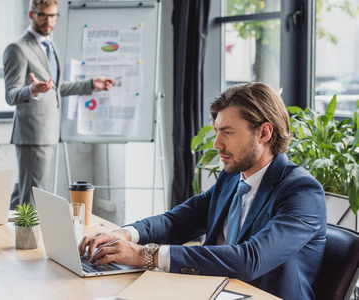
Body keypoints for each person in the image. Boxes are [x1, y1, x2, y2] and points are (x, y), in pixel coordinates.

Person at [79, 82, 327, 300]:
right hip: (207, 289)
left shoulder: (302, 192)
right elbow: (176, 222)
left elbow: (250, 259)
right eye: (217, 132)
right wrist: (125, 235)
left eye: (227, 132)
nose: (217, 144)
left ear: (264, 132)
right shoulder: (231, 178)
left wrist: (146, 255)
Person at [3, 0, 115, 209]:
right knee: (33, 196)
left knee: (24, 193)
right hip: (33, 134)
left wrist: (91, 84)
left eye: (53, 16)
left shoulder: (49, 45)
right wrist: (32, 90)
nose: (49, 21)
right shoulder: (17, 48)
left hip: (48, 131)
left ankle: (8, 236)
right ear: (31, 14)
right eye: (43, 15)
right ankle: (29, 242)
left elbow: (55, 88)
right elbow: (11, 95)